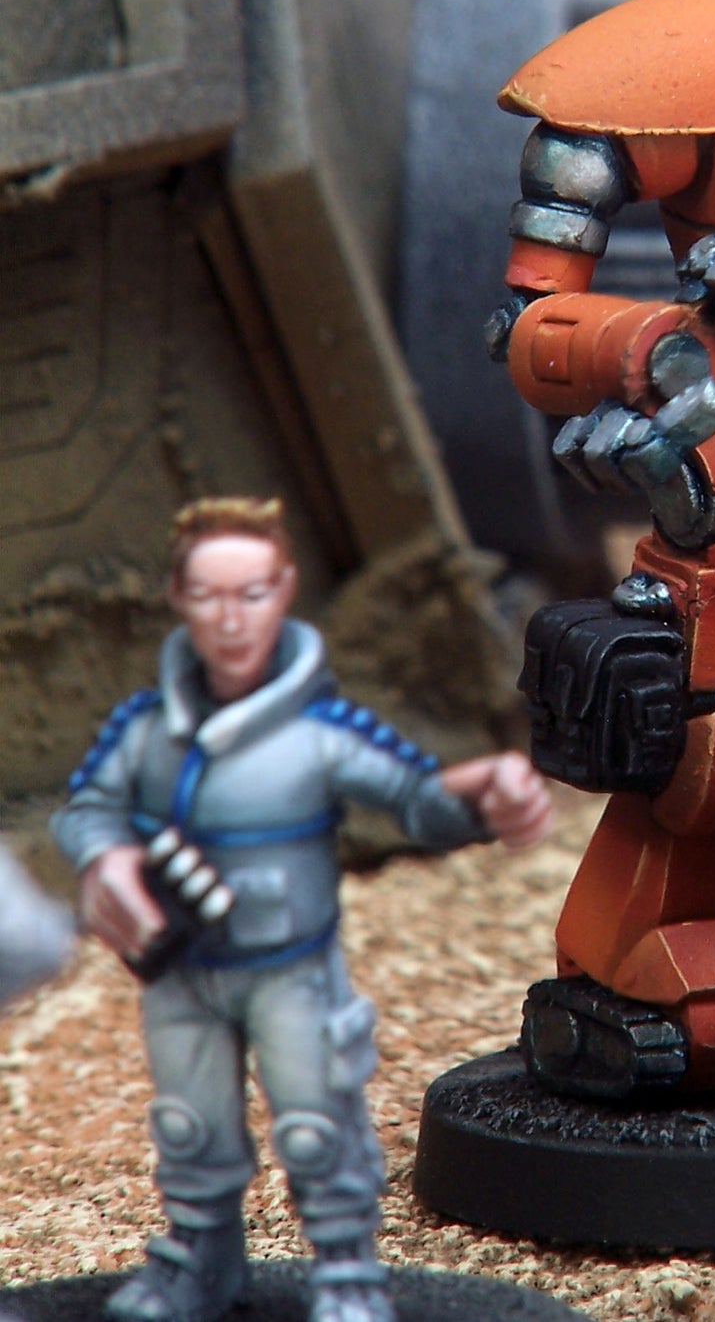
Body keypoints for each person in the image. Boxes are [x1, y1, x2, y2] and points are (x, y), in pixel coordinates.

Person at [52, 496, 553, 1322]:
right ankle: (198, 1262)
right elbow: (85, 808)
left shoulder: (321, 731)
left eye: (251, 593)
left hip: (292, 969)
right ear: (178, 597)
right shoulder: (145, 729)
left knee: (319, 1125)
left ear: (283, 590)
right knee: (191, 1126)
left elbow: (414, 798)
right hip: (181, 970)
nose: (231, 619)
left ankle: (348, 1273)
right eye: (208, 595)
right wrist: (107, 858)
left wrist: (480, 791)